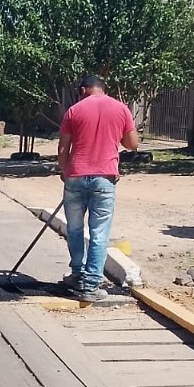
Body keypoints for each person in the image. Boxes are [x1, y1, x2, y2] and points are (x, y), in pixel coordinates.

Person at [57, 75, 138, 302]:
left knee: (73, 229)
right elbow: (133, 144)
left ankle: (77, 274)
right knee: (99, 233)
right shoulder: (121, 109)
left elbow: (63, 149)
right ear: (104, 89)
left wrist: (65, 172)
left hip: (75, 176)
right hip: (105, 178)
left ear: (83, 89)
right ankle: (90, 285)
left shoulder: (74, 111)